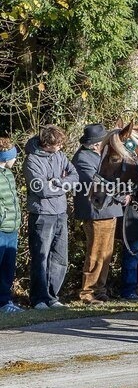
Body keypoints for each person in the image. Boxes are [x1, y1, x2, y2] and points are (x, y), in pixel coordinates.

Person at [24, 125, 79, 309]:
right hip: (41, 214)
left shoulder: (60, 156)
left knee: (59, 257)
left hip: (60, 213)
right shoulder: (32, 160)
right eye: (57, 144)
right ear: (47, 143)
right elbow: (40, 189)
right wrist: (62, 186)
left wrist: (58, 182)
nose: (60, 147)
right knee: (41, 257)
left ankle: (52, 296)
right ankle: (39, 298)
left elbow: (75, 177)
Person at [72, 123, 124, 304]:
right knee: (95, 253)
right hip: (96, 211)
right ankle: (87, 292)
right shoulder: (83, 159)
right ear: (96, 144)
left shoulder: (98, 156)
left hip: (109, 210)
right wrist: (120, 193)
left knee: (106, 253)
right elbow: (97, 183)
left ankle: (100, 289)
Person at [0, 139, 21, 313]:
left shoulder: (8, 174)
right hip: (1, 228)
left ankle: (5, 301)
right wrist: (3, 217)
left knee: (8, 267)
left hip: (11, 228)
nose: (16, 159)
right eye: (14, 156)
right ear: (6, 157)